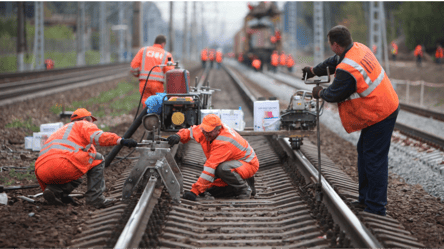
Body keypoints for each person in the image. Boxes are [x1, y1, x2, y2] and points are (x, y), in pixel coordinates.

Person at [301, 25, 399, 216]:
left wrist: (319, 92)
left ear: (336, 44)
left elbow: (334, 93)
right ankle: (365, 200)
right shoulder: (357, 48)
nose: (331, 48)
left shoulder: (347, 69)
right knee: (364, 152)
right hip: (381, 105)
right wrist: (314, 71)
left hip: (381, 112)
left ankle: (376, 207)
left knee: (374, 158)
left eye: (331, 45)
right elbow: (333, 61)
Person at [35, 108, 138, 208]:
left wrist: (48, 191)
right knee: (97, 159)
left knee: (79, 166)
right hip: (63, 166)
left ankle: (55, 191)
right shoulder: (83, 124)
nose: (92, 124)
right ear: (85, 120)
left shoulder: (61, 130)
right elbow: (99, 137)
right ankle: (95, 199)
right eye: (91, 121)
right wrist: (121, 141)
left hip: (41, 171)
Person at [166, 114, 259, 201]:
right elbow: (191, 131)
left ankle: (244, 190)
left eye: (209, 132)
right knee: (212, 190)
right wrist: (178, 135)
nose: (205, 134)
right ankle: (244, 182)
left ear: (218, 130)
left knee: (223, 169)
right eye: (204, 130)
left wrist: (195, 192)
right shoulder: (206, 130)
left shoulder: (223, 142)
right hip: (233, 162)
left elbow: (210, 168)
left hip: (248, 164)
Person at [130, 35, 175, 107]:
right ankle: (156, 117)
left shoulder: (143, 50)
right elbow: (171, 72)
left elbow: (133, 67)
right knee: (158, 104)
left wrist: (138, 74)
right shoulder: (167, 54)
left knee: (145, 102)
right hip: (157, 84)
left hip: (144, 82)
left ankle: (147, 116)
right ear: (163, 44)